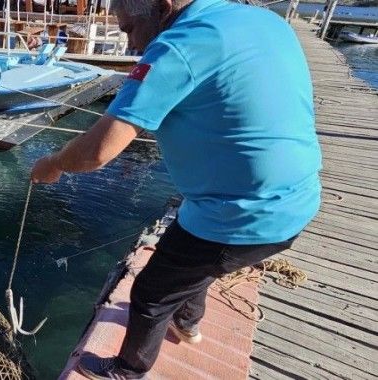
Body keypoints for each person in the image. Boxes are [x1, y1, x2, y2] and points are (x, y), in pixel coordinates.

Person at [30, 0, 322, 378]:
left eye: (128, 29)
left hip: (242, 216)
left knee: (151, 293)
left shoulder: (178, 46)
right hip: (298, 201)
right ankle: (188, 323)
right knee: (192, 260)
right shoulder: (263, 20)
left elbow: (97, 152)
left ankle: (129, 368)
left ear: (163, 7)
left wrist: (52, 163)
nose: (131, 45)